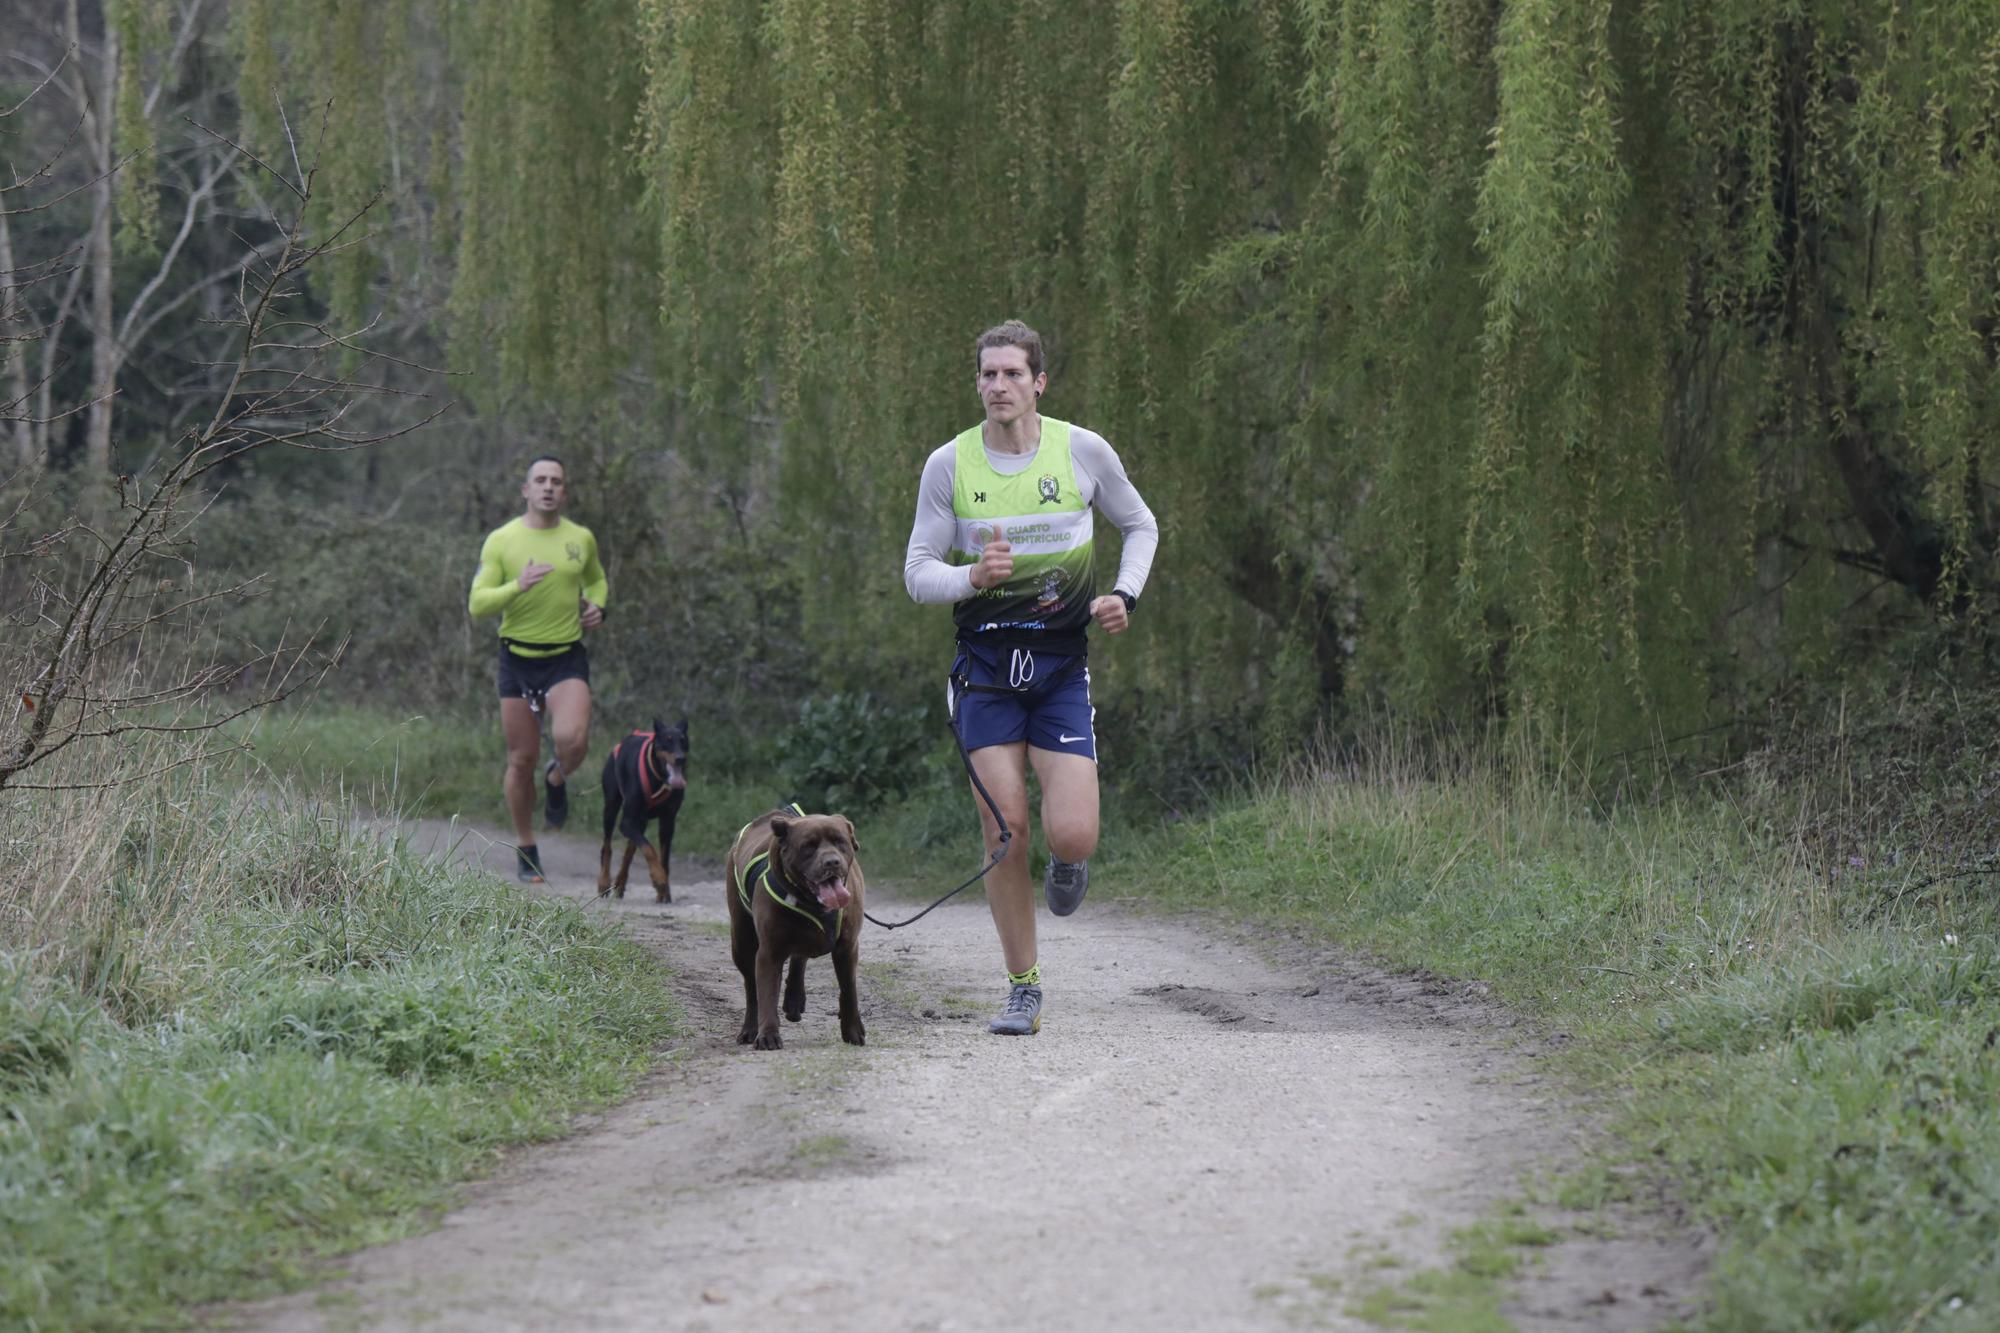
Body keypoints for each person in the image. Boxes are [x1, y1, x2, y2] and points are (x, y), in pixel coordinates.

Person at [903, 320, 1159, 1035]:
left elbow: (1141, 525)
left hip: (1058, 669)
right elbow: (917, 572)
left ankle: (1069, 864)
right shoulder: (949, 465)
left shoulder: (1080, 450)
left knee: (1072, 833)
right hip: (983, 672)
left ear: (1039, 382)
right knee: (1005, 827)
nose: (998, 386)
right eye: (987, 375)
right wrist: (969, 576)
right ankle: (1023, 983)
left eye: (1013, 373)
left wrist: (1123, 594)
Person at [468, 454, 608, 882]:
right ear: (526, 490)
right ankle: (527, 847)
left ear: (564, 492)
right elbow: (478, 604)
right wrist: (518, 585)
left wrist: (597, 604)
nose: (548, 486)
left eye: (556, 481)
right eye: (540, 480)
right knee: (519, 759)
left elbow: (597, 579)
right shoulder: (502, 540)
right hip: (517, 660)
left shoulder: (580, 538)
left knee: (573, 739)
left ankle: (558, 774)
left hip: (565, 656)